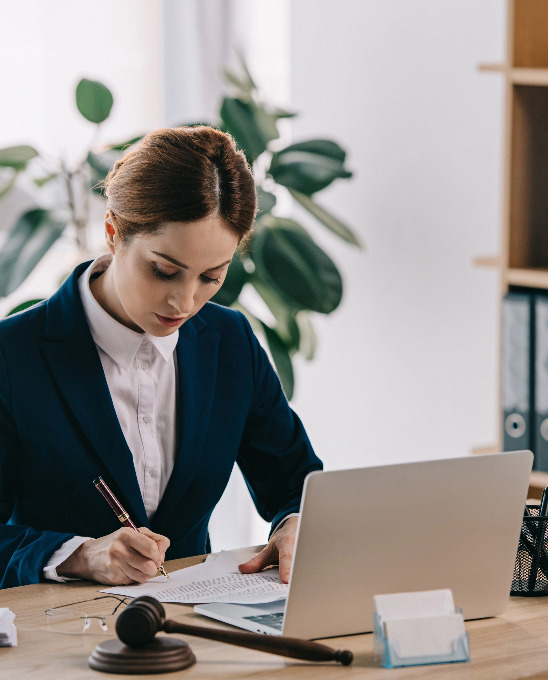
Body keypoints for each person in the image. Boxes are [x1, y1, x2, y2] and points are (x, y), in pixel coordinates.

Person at [0, 126, 322, 589]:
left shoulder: (230, 340)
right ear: (113, 233)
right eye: (164, 271)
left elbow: (296, 485)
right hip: (57, 637)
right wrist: (77, 555)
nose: (184, 303)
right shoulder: (13, 356)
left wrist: (295, 524)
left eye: (211, 277)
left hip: (199, 630)